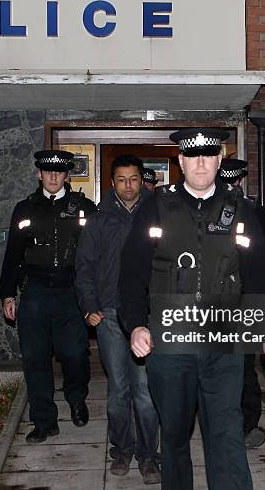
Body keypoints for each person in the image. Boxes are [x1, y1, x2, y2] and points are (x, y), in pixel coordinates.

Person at [119, 128, 265, 490]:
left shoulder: (240, 210)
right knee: (175, 438)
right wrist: (135, 325)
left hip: (222, 344)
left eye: (208, 155)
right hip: (169, 344)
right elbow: (131, 274)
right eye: (193, 156)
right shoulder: (156, 207)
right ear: (181, 161)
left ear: (219, 160)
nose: (201, 163)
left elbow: (258, 277)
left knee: (225, 433)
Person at [0, 150, 97, 444]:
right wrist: (7, 294)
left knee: (76, 354)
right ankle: (44, 421)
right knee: (35, 358)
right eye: (47, 171)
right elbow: (12, 256)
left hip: (72, 292)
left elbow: (98, 255)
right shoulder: (24, 209)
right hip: (36, 292)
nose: (53, 176)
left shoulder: (85, 208)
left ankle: (77, 399)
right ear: (39, 174)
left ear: (67, 175)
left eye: (60, 171)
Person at [75, 154, 160, 484]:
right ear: (112, 182)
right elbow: (84, 267)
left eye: (134, 179)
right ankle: (123, 449)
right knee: (119, 389)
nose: (128, 185)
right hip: (109, 314)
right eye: (122, 179)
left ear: (142, 179)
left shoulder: (158, 212)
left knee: (145, 390)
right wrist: (89, 305)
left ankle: (150, 455)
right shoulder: (99, 218)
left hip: (147, 314)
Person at [219, 157, 265, 449]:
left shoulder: (254, 214)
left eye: (233, 181)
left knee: (242, 365)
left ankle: (247, 424)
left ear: (240, 181)